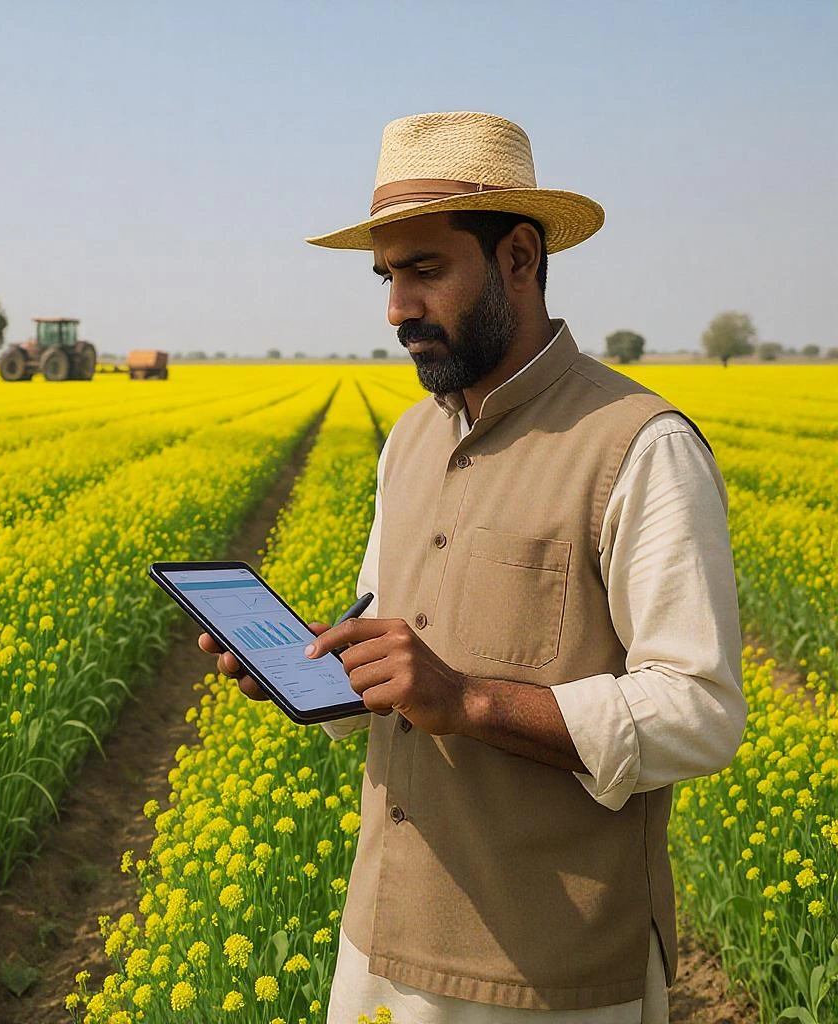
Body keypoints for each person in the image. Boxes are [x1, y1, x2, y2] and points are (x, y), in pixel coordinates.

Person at [198, 111, 748, 1024]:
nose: (395, 308)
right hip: (376, 946)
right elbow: (394, 658)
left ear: (520, 258)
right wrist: (309, 671)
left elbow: (702, 713)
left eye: (424, 270)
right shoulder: (408, 441)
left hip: (548, 977)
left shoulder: (640, 447)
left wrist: (472, 700)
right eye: (386, 276)